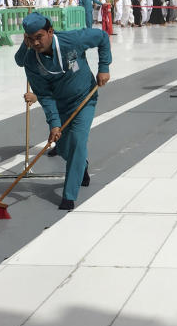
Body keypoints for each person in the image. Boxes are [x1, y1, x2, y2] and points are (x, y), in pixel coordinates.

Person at [17, 11, 111, 211]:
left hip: (85, 98)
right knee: (67, 148)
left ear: (50, 32)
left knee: (77, 141)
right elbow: (45, 95)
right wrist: (54, 123)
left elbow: (102, 37)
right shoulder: (31, 62)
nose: (35, 43)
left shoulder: (72, 40)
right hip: (60, 105)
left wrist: (104, 67)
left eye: (39, 37)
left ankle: (69, 196)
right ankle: (81, 166)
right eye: (31, 39)